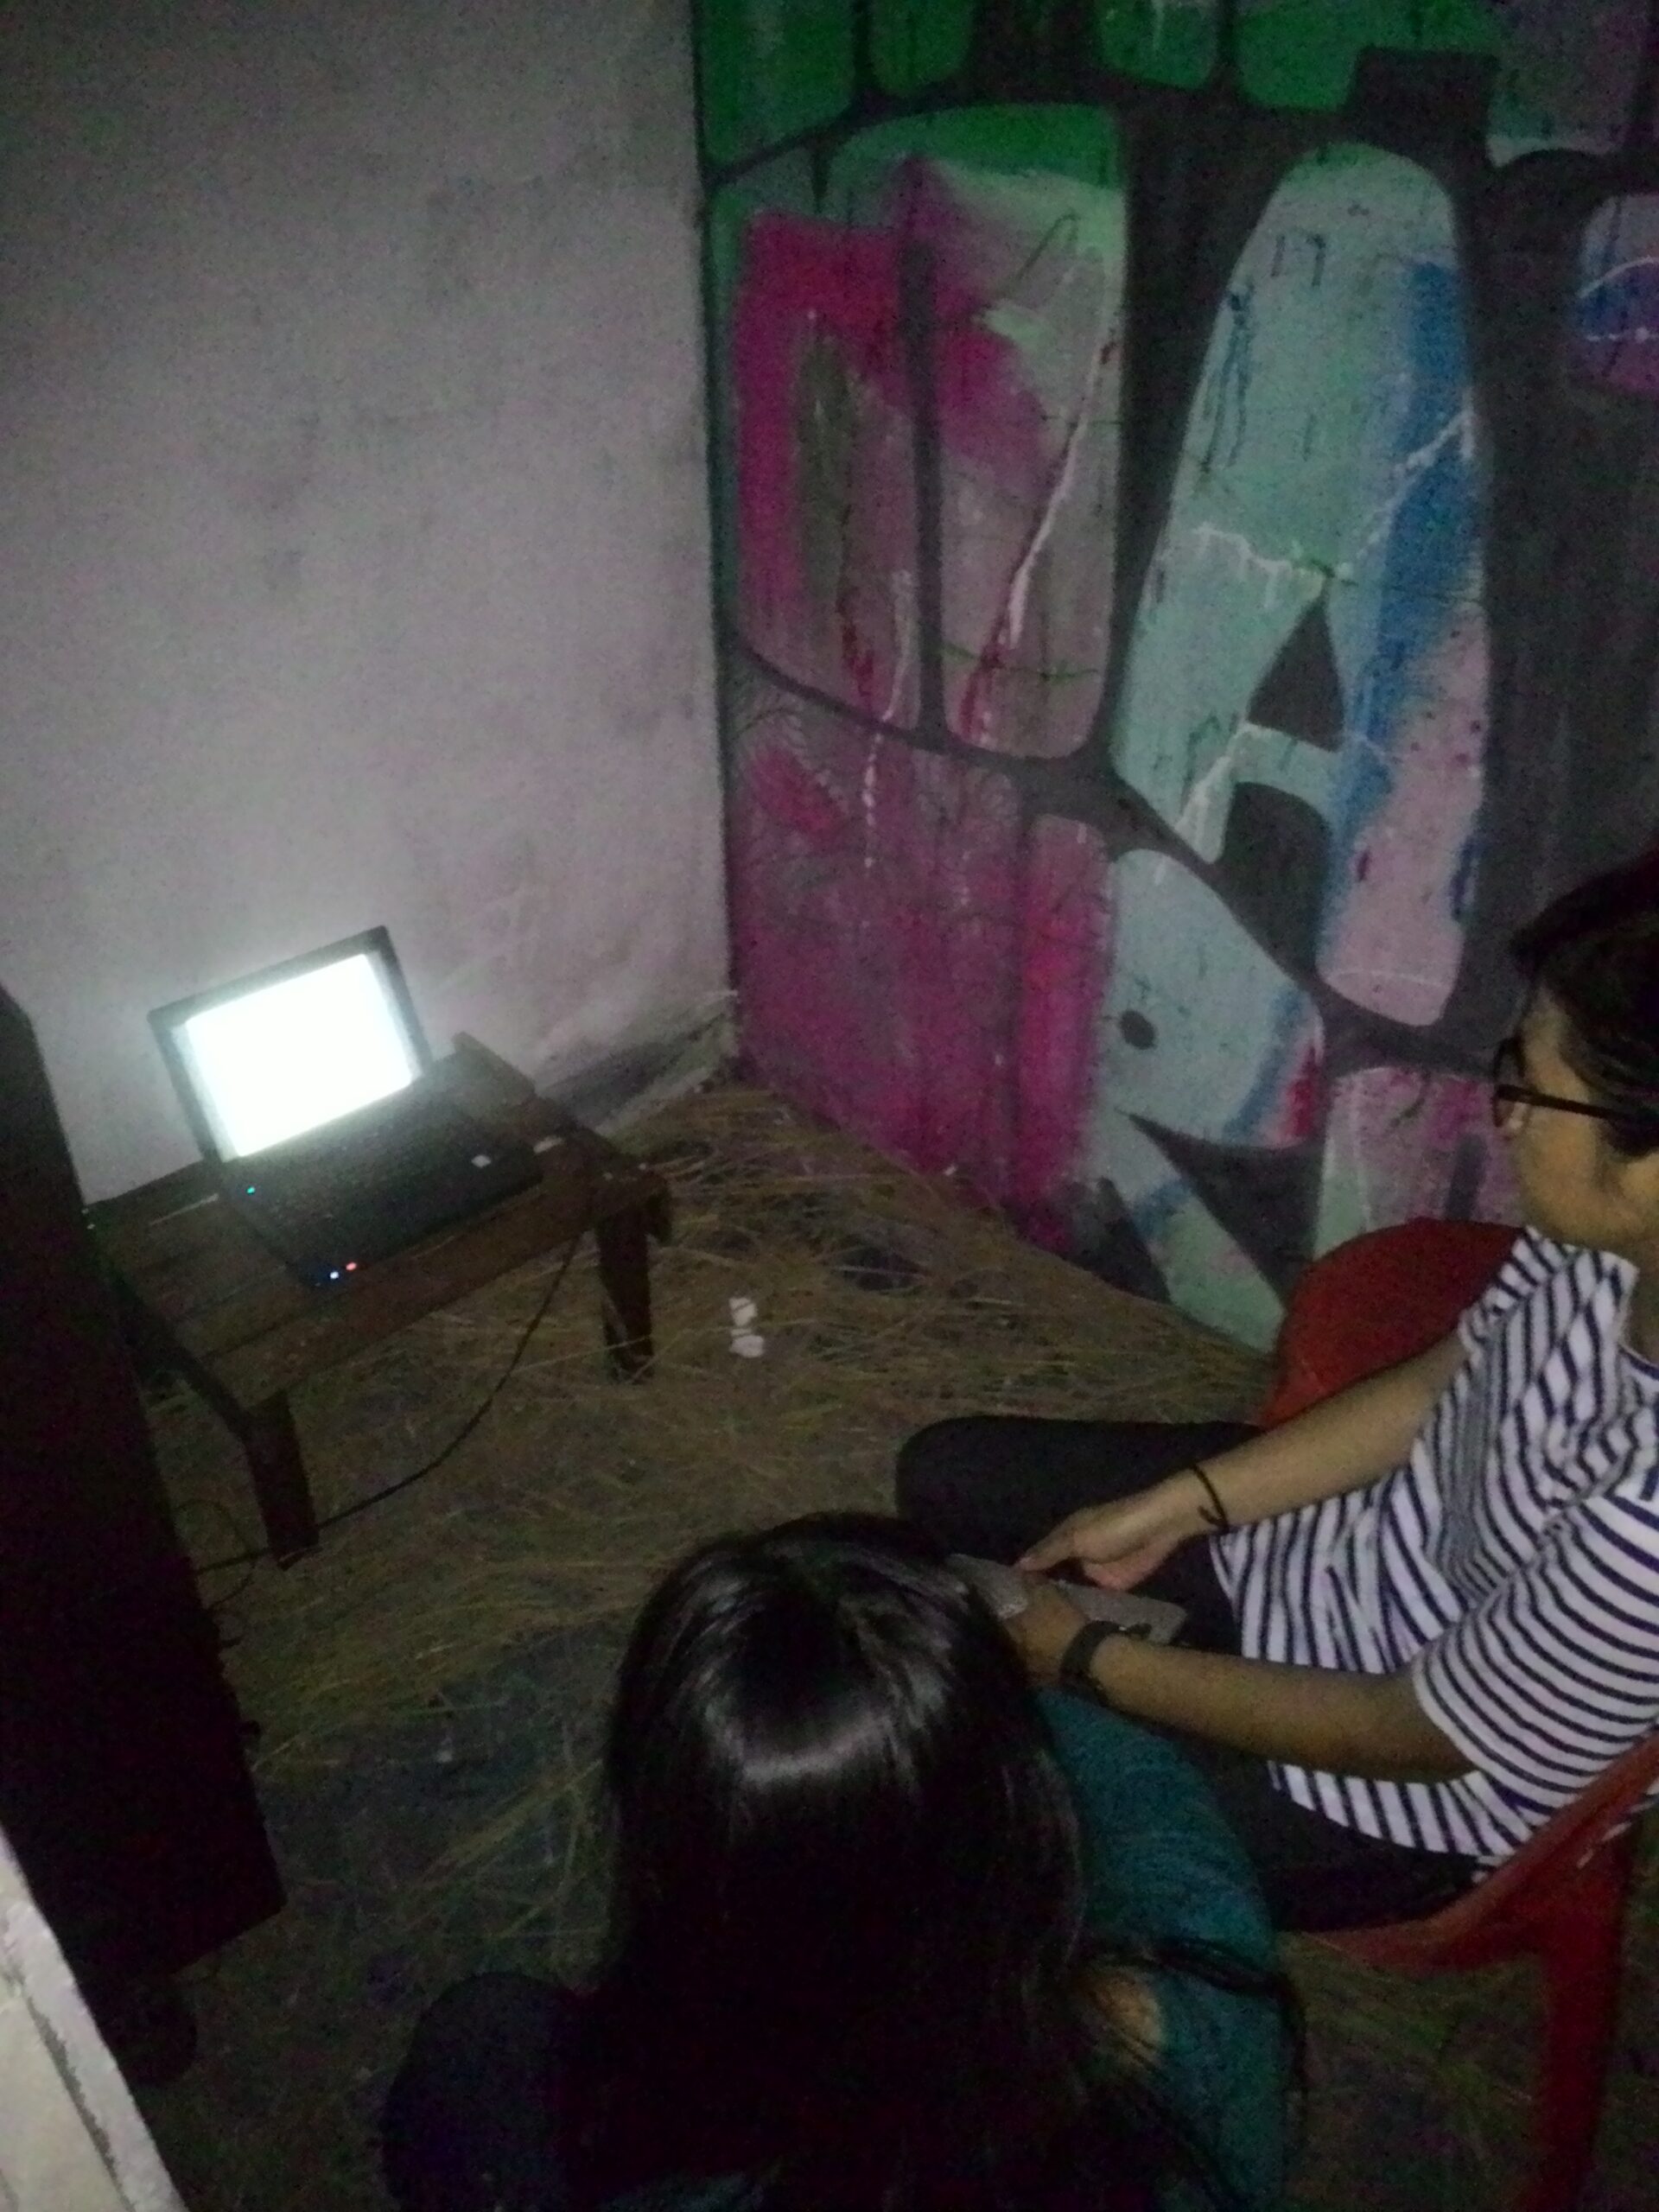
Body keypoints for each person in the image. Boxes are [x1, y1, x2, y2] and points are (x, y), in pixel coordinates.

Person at [897, 854, 1659, 1932]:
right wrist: (1185, 1503)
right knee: (943, 1477)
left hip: (1383, 1790)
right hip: (1336, 1559)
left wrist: (1087, 1656)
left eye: (1532, 1087)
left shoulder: (1648, 1527)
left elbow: (1405, 1730)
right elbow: (1440, 1384)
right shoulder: (1604, 1240)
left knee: (958, 1807)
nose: (1508, 1119)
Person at [382, 1513, 1297, 2212]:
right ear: (1021, 1808)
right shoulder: (1201, 1933)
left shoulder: (722, 2177)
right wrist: (944, 1688)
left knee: (483, 2043)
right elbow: (1100, 1764)